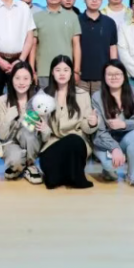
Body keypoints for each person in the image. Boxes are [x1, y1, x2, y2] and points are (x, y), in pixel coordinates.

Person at [38, 55, 97, 189]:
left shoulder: (82, 94)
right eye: (58, 70)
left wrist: (92, 123)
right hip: (52, 144)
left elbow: (85, 127)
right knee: (52, 180)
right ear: (52, 73)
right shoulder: (43, 95)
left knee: (74, 140)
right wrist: (44, 129)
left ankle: (74, 177)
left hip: (76, 145)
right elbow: (43, 132)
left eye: (66, 70)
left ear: (71, 73)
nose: (62, 73)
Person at [92, 60, 134, 188]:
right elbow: (99, 131)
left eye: (117, 74)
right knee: (110, 165)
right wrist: (114, 148)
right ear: (104, 77)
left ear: (124, 76)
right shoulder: (97, 97)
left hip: (126, 139)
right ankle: (107, 170)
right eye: (109, 74)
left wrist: (124, 124)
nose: (114, 77)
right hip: (105, 142)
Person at [0, 61, 43, 184]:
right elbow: (1, 135)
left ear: (31, 80)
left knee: (27, 132)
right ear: (11, 80)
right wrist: (10, 115)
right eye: (17, 78)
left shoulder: (38, 100)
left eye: (25, 78)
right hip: (10, 143)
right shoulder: (2, 101)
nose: (21, 82)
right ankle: (22, 166)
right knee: (15, 160)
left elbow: (44, 131)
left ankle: (30, 164)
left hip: (32, 141)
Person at [31, 0, 81, 89]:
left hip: (66, 71)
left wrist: (76, 71)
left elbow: (76, 45)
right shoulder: (36, 17)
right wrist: (32, 71)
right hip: (44, 71)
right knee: (44, 99)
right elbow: (33, 45)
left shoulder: (73, 16)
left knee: (65, 99)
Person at [78, 0, 118, 96]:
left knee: (101, 105)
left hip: (103, 76)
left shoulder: (109, 22)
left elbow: (113, 47)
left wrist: (113, 70)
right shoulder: (76, 20)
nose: (94, 0)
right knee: (81, 105)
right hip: (80, 77)